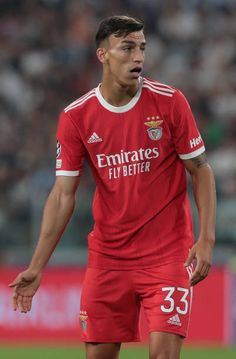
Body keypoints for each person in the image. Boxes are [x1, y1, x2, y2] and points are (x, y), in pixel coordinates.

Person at [9, 15, 216, 359]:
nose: (139, 57)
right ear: (103, 55)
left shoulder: (169, 102)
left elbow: (201, 170)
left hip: (166, 257)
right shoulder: (77, 116)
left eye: (142, 48)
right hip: (108, 260)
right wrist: (37, 265)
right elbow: (62, 195)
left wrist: (205, 239)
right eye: (128, 47)